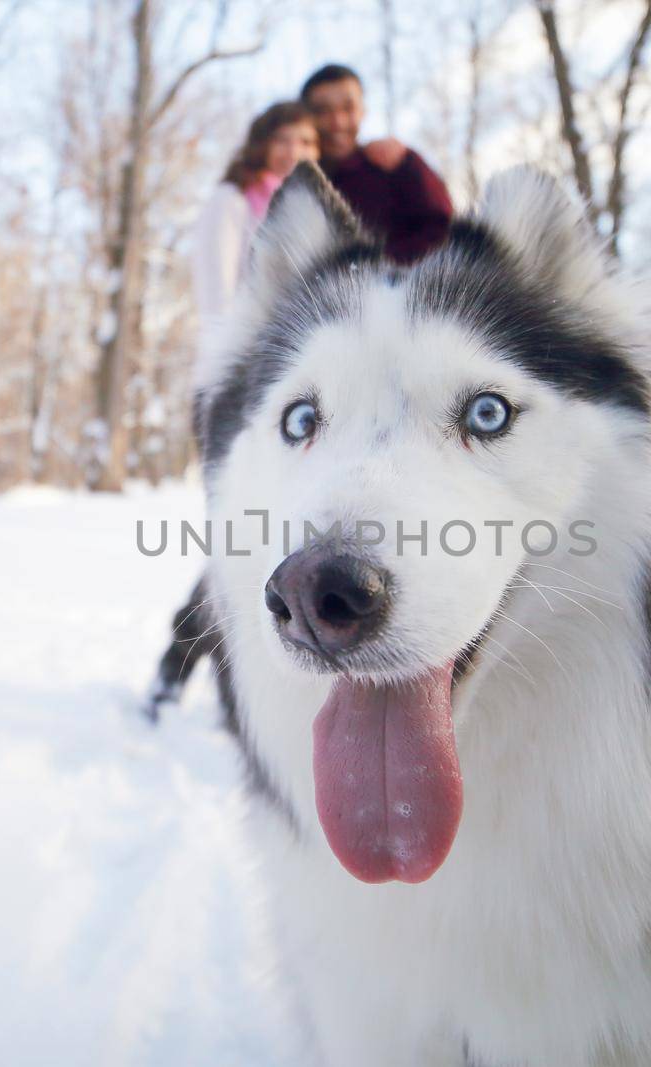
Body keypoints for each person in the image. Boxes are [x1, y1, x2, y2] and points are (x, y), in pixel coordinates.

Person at [146, 74, 454, 720]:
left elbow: (434, 236)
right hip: (252, 393)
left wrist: (410, 162)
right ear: (263, 142)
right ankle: (204, 675)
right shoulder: (242, 202)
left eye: (311, 137)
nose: (304, 146)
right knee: (243, 540)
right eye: (291, 135)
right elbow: (228, 308)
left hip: (356, 393)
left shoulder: (369, 174)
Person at [189, 100, 320, 394]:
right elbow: (216, 291)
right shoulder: (232, 200)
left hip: (295, 360)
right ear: (262, 145)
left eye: (306, 142)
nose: (295, 152)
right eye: (283, 140)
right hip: (244, 362)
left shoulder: (313, 212)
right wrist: (227, 366)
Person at [300, 63, 452, 265]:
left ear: (363, 110)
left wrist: (375, 265)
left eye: (348, 108)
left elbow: (444, 231)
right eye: (323, 111)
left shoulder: (395, 164)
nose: (338, 122)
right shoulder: (291, 178)